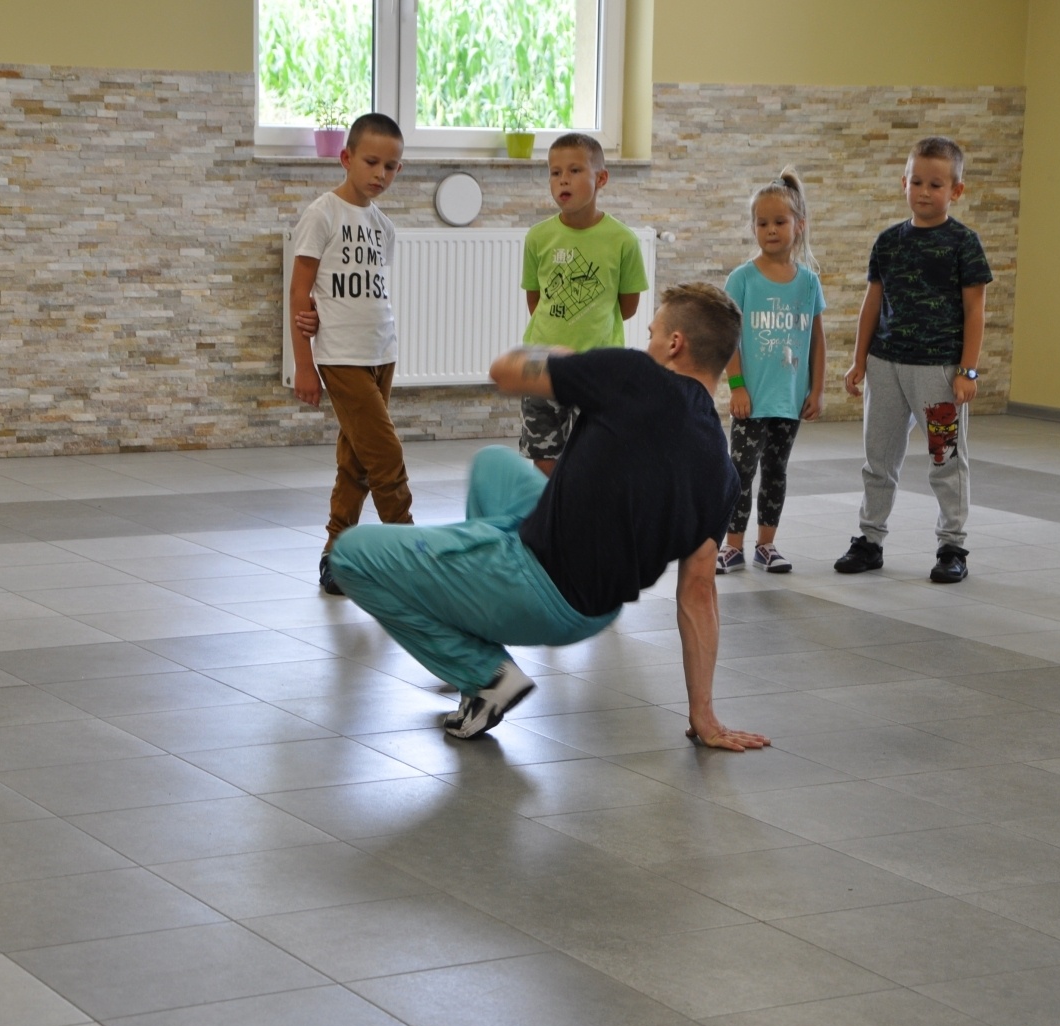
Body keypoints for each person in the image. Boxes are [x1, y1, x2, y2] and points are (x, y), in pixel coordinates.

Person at [329, 283, 770, 752]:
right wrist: (703, 714)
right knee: (494, 466)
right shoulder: (721, 472)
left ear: (675, 343)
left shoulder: (634, 375)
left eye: (652, 334)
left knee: (351, 555)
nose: (647, 343)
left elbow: (505, 371)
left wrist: (563, 354)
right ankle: (478, 578)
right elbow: (699, 594)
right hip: (595, 610)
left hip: (535, 585)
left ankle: (486, 675)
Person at [836, 136, 991, 583]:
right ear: (904, 182)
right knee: (878, 458)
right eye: (916, 181)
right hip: (885, 368)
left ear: (956, 190)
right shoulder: (888, 242)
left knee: (946, 458)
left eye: (936, 185)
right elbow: (872, 302)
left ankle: (952, 546)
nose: (924, 191)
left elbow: (975, 310)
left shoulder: (964, 243)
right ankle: (869, 539)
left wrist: (967, 370)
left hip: (938, 375)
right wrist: (859, 360)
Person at [288, 112, 412, 596]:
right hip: (340, 357)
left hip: (382, 351)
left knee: (357, 460)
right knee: (386, 454)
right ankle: (411, 554)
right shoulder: (322, 214)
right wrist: (304, 364)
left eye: (391, 166)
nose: (381, 174)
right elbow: (300, 292)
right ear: (346, 158)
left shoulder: (384, 226)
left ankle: (337, 555)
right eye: (371, 162)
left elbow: (370, 292)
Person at [718, 166, 826, 576]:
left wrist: (816, 390)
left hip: (789, 400)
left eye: (780, 222)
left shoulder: (809, 283)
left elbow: (817, 340)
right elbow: (730, 338)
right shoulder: (742, 279)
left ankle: (766, 545)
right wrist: (737, 386)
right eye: (762, 223)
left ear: (799, 225)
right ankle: (732, 547)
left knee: (776, 471)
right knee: (740, 472)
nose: (771, 230)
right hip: (752, 400)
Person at [518, 133, 648, 476]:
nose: (563, 179)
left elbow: (628, 306)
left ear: (601, 178)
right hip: (543, 363)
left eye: (574, 170)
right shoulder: (538, 237)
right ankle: (552, 507)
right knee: (544, 455)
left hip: (598, 366)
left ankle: (584, 506)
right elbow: (536, 300)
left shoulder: (623, 240)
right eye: (555, 172)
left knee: (595, 454)